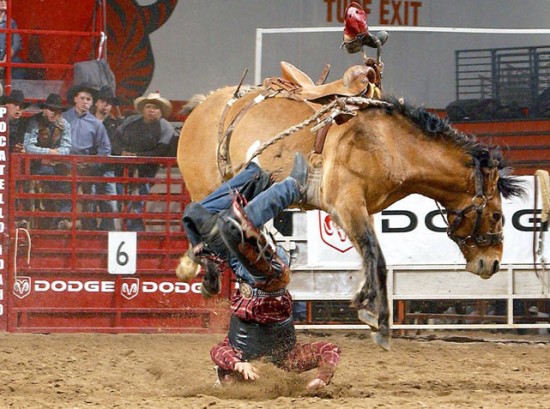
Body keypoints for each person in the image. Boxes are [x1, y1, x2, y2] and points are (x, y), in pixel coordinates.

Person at [178, 154, 340, 391]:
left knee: (193, 213)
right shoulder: (289, 361)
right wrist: (322, 378)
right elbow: (330, 350)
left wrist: (236, 364)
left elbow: (217, 352)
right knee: (232, 226)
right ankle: (290, 186)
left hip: (241, 269)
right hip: (270, 279)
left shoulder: (234, 353)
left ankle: (255, 177)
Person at [111, 91, 175, 231]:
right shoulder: (131, 121)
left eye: (155, 107)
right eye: (148, 106)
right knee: (123, 198)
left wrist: (137, 156)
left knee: (138, 200)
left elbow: (160, 151)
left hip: (146, 170)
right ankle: (126, 227)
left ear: (160, 111)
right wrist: (122, 152)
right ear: (143, 109)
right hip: (123, 168)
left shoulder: (165, 127)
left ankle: (135, 229)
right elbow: (115, 138)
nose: (151, 110)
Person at [62, 82, 116, 231]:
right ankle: (62, 224)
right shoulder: (64, 118)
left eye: (88, 99)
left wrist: (93, 164)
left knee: (88, 199)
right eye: (83, 98)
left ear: (92, 103)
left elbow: (105, 148)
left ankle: (87, 228)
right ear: (75, 99)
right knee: (63, 195)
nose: (85, 102)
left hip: (87, 166)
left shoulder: (96, 124)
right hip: (65, 163)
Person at [23, 93, 72, 229]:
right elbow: (28, 147)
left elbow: (66, 148)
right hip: (36, 165)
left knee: (69, 184)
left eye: (57, 111)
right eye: (51, 110)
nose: (54, 113)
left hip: (55, 165)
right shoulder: (34, 122)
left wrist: (52, 157)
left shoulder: (64, 124)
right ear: (44, 109)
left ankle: (63, 218)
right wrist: (49, 152)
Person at [0, 0, 25, 79]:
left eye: (5, 0)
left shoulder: (11, 23)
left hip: (8, 59)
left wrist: (6, 59)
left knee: (20, 70)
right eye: (0, 0)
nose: (4, 2)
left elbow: (16, 43)